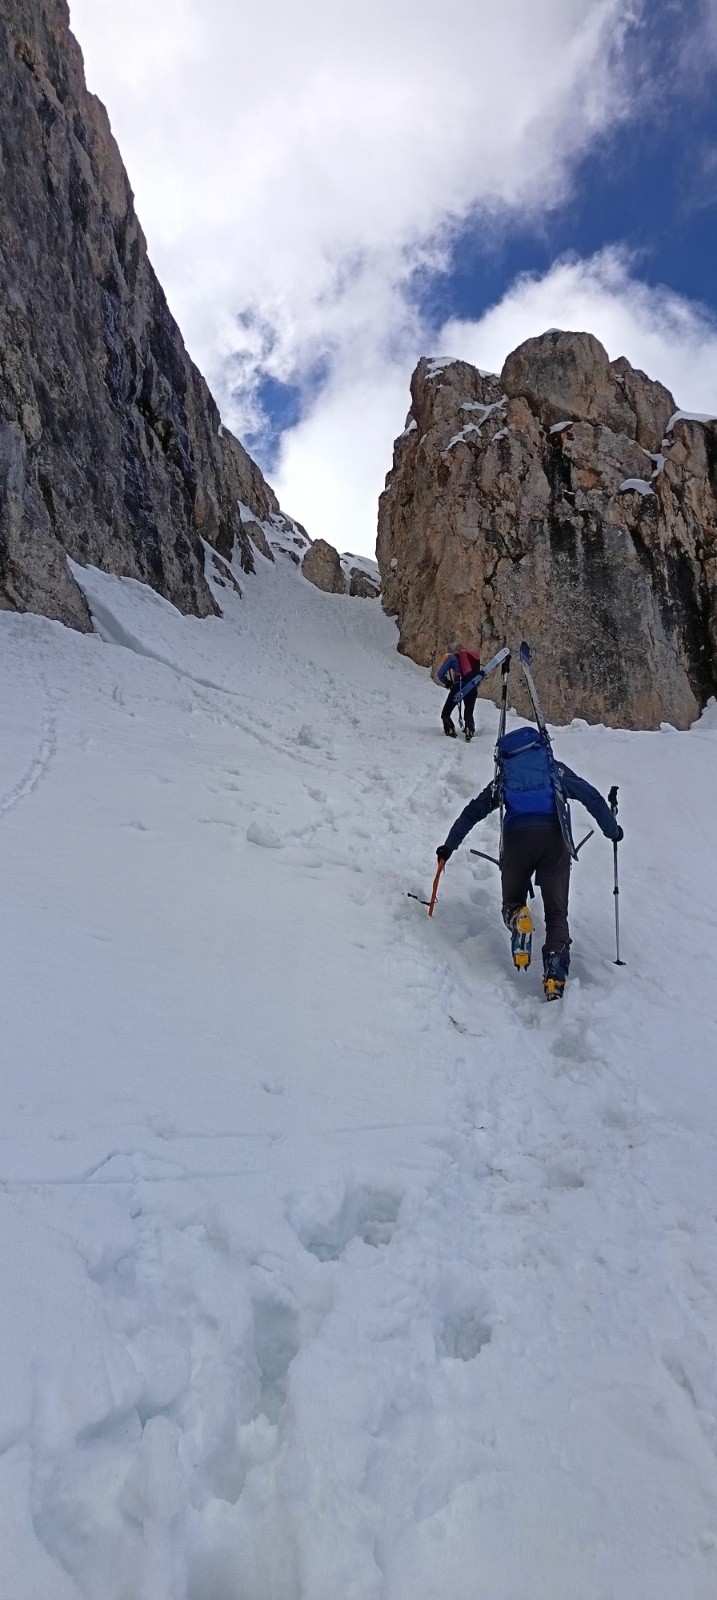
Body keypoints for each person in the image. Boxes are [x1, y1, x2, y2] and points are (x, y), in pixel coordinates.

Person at [436, 724, 623, 999]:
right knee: (557, 914)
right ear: (542, 748)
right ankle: (554, 975)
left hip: (517, 841)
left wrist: (448, 846)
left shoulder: (504, 779)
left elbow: (472, 811)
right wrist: (613, 830)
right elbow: (591, 797)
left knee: (511, 900)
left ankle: (517, 916)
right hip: (554, 840)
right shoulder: (554, 770)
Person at [435, 648, 482, 741]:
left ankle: (450, 729)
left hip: (459, 687)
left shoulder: (452, 658)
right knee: (469, 712)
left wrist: (448, 683)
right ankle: (469, 730)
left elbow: (440, 674)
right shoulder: (468, 658)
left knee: (446, 713)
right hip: (472, 687)